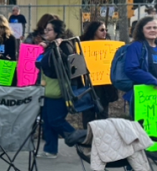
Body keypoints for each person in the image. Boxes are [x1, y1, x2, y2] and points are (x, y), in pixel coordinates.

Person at [36, 19, 87, 159]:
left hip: (59, 91)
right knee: (47, 119)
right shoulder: (52, 45)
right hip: (50, 89)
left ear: (57, 32)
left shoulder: (64, 46)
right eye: (45, 30)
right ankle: (50, 149)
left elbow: (65, 65)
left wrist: (54, 49)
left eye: (49, 30)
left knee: (55, 120)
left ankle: (81, 139)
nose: (45, 32)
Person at [80, 20, 118, 117]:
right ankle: (89, 132)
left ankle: (102, 132)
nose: (105, 32)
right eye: (101, 30)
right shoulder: (83, 45)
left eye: (106, 30)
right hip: (88, 84)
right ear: (94, 31)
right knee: (88, 113)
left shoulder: (109, 46)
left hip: (104, 85)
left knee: (103, 113)